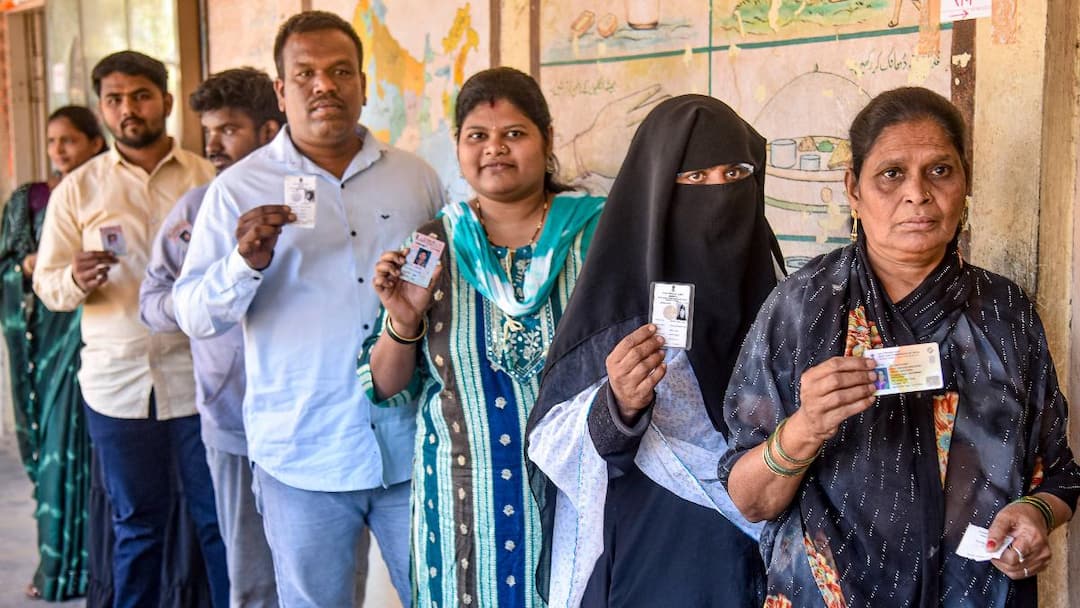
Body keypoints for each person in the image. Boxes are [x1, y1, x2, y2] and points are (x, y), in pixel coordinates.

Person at [720, 87, 1080, 607]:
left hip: (977, 592)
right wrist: (806, 427)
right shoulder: (803, 309)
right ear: (853, 190)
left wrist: (1036, 516)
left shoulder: (1005, 313)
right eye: (891, 174)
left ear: (964, 184)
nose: (917, 193)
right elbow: (750, 500)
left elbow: (1059, 473)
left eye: (939, 170)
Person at [173, 11, 445, 606]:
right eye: (307, 74)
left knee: (436, 596)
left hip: (410, 451)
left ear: (364, 85)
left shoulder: (416, 179)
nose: (325, 85)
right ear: (281, 90)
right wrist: (243, 263)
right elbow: (193, 313)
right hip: (302, 454)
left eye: (340, 71)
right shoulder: (239, 189)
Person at [358, 66, 603, 608]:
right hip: (461, 503)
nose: (495, 148)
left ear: (546, 140)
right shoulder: (432, 244)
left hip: (574, 495)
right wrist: (402, 320)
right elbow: (385, 384)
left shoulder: (599, 236)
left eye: (514, 133)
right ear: (459, 147)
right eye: (478, 136)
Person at [526, 95, 783, 607]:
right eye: (695, 180)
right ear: (656, 193)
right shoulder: (615, 310)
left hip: (768, 555)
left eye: (735, 175)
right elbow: (550, 440)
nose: (719, 195)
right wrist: (616, 405)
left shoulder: (786, 301)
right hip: (656, 552)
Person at [32, 51, 227, 608]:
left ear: (165, 100)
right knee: (136, 525)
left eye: (140, 95)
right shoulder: (78, 189)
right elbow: (48, 284)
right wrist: (74, 276)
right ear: (102, 110)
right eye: (114, 100)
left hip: (199, 382)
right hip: (116, 386)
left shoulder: (207, 177)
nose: (128, 110)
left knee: (215, 519)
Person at [139, 67, 291, 608]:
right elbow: (152, 303)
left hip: (313, 426)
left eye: (228, 129)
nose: (212, 144)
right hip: (232, 425)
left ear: (270, 129)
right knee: (247, 578)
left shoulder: (316, 202)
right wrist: (205, 308)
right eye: (209, 130)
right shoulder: (197, 210)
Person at [0, 105, 105, 601]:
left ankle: (96, 568)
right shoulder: (32, 200)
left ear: (95, 143)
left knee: (98, 457)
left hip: (101, 336)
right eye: (52, 141)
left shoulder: (106, 193)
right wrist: (26, 267)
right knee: (56, 450)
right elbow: (6, 266)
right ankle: (58, 566)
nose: (59, 150)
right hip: (49, 342)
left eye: (69, 140)